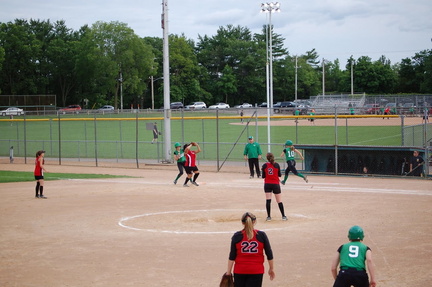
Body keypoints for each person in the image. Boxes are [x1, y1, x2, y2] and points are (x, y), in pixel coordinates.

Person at [225, 212, 275, 287]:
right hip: (256, 270)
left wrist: (228, 273)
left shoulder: (237, 236)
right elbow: (269, 254)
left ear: (242, 223)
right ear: (254, 221)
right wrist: (271, 268)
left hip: (240, 270)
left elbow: (232, 256)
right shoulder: (261, 235)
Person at [261, 153, 286, 221]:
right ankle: (283, 216)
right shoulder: (276, 165)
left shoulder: (265, 165)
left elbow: (263, 176)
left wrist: (263, 170)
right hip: (275, 184)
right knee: (279, 201)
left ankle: (268, 217)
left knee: (268, 200)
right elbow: (279, 175)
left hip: (267, 184)